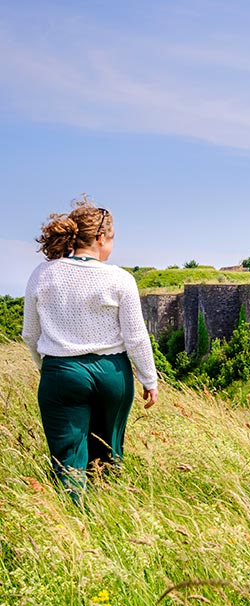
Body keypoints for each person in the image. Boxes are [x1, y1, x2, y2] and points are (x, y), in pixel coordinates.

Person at [21, 197, 159, 501]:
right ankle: (108, 515)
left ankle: (74, 525)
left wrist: (46, 366)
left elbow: (30, 334)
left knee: (68, 461)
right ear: (100, 238)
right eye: (111, 239)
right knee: (107, 452)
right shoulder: (120, 279)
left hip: (61, 372)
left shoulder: (42, 274)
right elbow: (136, 337)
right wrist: (149, 380)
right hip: (112, 374)